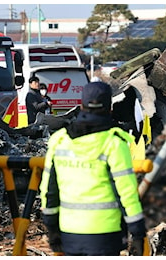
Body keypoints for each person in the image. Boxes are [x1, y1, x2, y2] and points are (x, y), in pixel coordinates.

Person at [39, 81, 148, 256]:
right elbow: (126, 194)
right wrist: (137, 233)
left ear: (81, 105)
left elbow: (49, 190)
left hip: (70, 232)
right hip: (106, 234)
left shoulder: (60, 141)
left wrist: (51, 229)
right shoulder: (115, 143)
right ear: (109, 108)